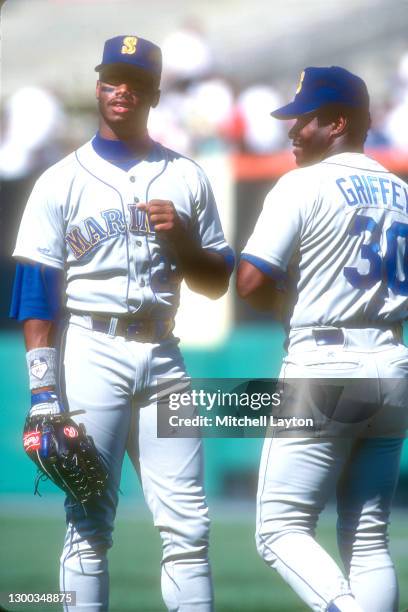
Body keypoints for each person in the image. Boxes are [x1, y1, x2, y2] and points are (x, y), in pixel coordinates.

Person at [11, 35, 234, 611]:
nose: (122, 89)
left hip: (165, 356)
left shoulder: (186, 176)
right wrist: (42, 393)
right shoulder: (60, 179)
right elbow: (36, 294)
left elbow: (215, 281)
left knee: (188, 527)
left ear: (155, 93)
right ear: (98, 86)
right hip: (92, 348)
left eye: (135, 80)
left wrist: (183, 236)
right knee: (88, 521)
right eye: (112, 76)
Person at [237, 66, 408, 612]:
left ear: (337, 122)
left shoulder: (303, 182)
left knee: (279, 529)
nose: (291, 131)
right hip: (392, 360)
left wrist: (292, 301)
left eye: (303, 120)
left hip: (326, 362)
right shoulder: (401, 191)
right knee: (368, 537)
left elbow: (251, 281)